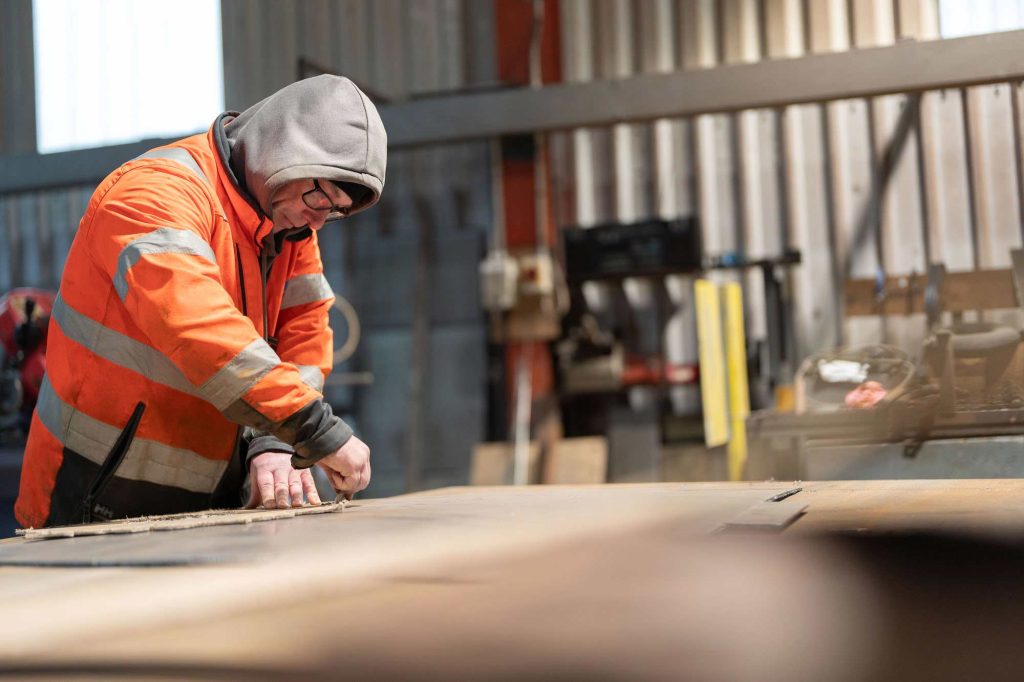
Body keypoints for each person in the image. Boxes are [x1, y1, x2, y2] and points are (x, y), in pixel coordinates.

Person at [15, 75, 386, 528]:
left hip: (208, 502)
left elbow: (303, 332)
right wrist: (315, 430)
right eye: (318, 197)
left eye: (335, 210)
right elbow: (199, 330)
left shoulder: (288, 227)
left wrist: (274, 443)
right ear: (280, 148)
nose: (320, 220)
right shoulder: (153, 193)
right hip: (92, 488)